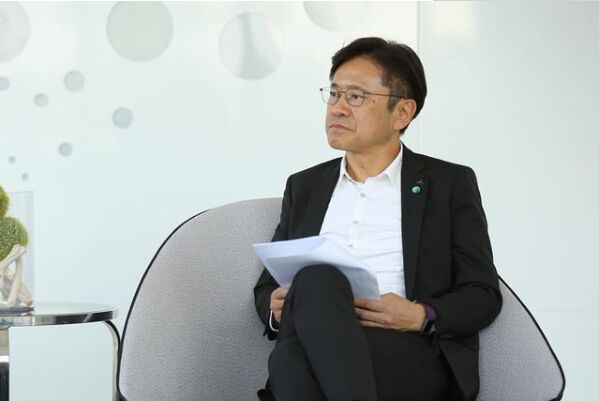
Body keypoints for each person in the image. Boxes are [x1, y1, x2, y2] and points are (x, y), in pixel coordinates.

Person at [253, 37, 502, 401]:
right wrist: (276, 308)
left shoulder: (448, 184)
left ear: (402, 112)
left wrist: (419, 314)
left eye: (355, 96)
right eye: (334, 93)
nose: (338, 108)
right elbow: (266, 287)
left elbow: (482, 293)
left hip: (406, 349)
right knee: (316, 285)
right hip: (314, 339)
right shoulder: (305, 186)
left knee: (294, 359)